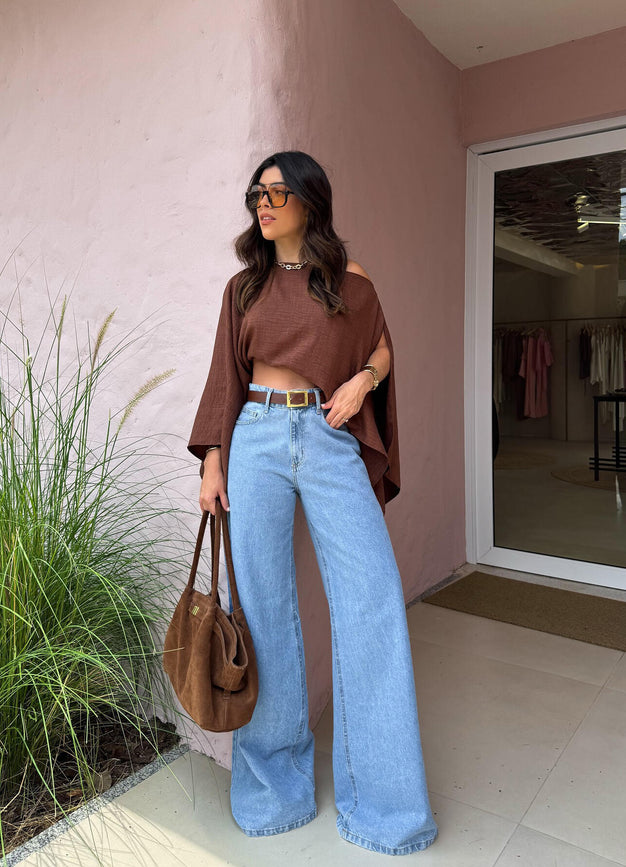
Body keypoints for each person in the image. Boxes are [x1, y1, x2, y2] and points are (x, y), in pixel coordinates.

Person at [188, 151, 437, 856]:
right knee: (263, 607)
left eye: (276, 193)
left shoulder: (348, 281)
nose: (263, 205)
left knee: (373, 599)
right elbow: (223, 379)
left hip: (327, 437)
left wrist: (361, 381)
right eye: (256, 194)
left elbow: (383, 347)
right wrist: (213, 460)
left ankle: (387, 806)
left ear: (309, 200)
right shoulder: (243, 288)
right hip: (257, 437)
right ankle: (274, 789)